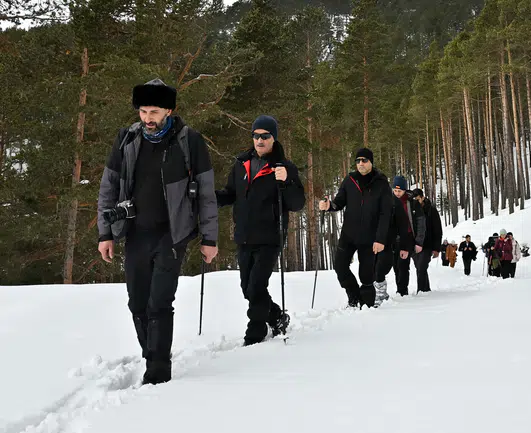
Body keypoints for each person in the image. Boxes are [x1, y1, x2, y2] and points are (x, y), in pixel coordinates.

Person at [97, 79, 219, 385]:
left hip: (172, 234)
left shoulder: (189, 141)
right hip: (136, 231)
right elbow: (108, 187)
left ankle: (159, 370)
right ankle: (152, 353)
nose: (148, 118)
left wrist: (209, 237)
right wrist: (105, 233)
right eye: (143, 111)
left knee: (159, 303)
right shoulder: (127, 139)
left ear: (169, 110)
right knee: (137, 303)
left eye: (154, 111)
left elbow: (206, 193)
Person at [216, 115, 305, 346]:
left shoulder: (284, 167)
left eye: (265, 136)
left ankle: (255, 332)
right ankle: (276, 317)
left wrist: (286, 182)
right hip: (244, 235)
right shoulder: (241, 163)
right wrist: (209, 198)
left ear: (273, 138)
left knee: (257, 285)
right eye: (256, 135)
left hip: (270, 236)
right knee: (247, 288)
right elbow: (230, 193)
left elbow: (297, 204)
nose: (259, 140)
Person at [319, 148, 392, 308]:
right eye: (358, 160)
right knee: (340, 267)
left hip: (370, 238)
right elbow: (339, 202)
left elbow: (385, 214)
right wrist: (328, 205)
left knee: (366, 276)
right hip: (349, 235)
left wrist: (380, 239)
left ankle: (367, 308)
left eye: (364, 160)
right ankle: (354, 297)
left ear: (371, 162)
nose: (360, 163)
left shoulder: (381, 183)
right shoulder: (350, 180)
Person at [387, 176, 425, 297]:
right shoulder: (389, 201)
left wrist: (419, 241)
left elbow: (421, 223)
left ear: (405, 190)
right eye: (395, 190)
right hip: (392, 238)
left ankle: (402, 291)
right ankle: (400, 288)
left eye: (400, 191)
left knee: (403, 265)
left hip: (407, 237)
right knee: (395, 265)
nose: (397, 193)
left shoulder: (412, 203)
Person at [411, 188, 442, 292]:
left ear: (422, 197)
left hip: (428, 243)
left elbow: (437, 229)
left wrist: (437, 248)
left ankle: (420, 290)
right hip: (415, 243)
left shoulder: (431, 210)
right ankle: (426, 289)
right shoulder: (412, 209)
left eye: (418, 199)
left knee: (422, 266)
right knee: (419, 267)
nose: (416, 202)